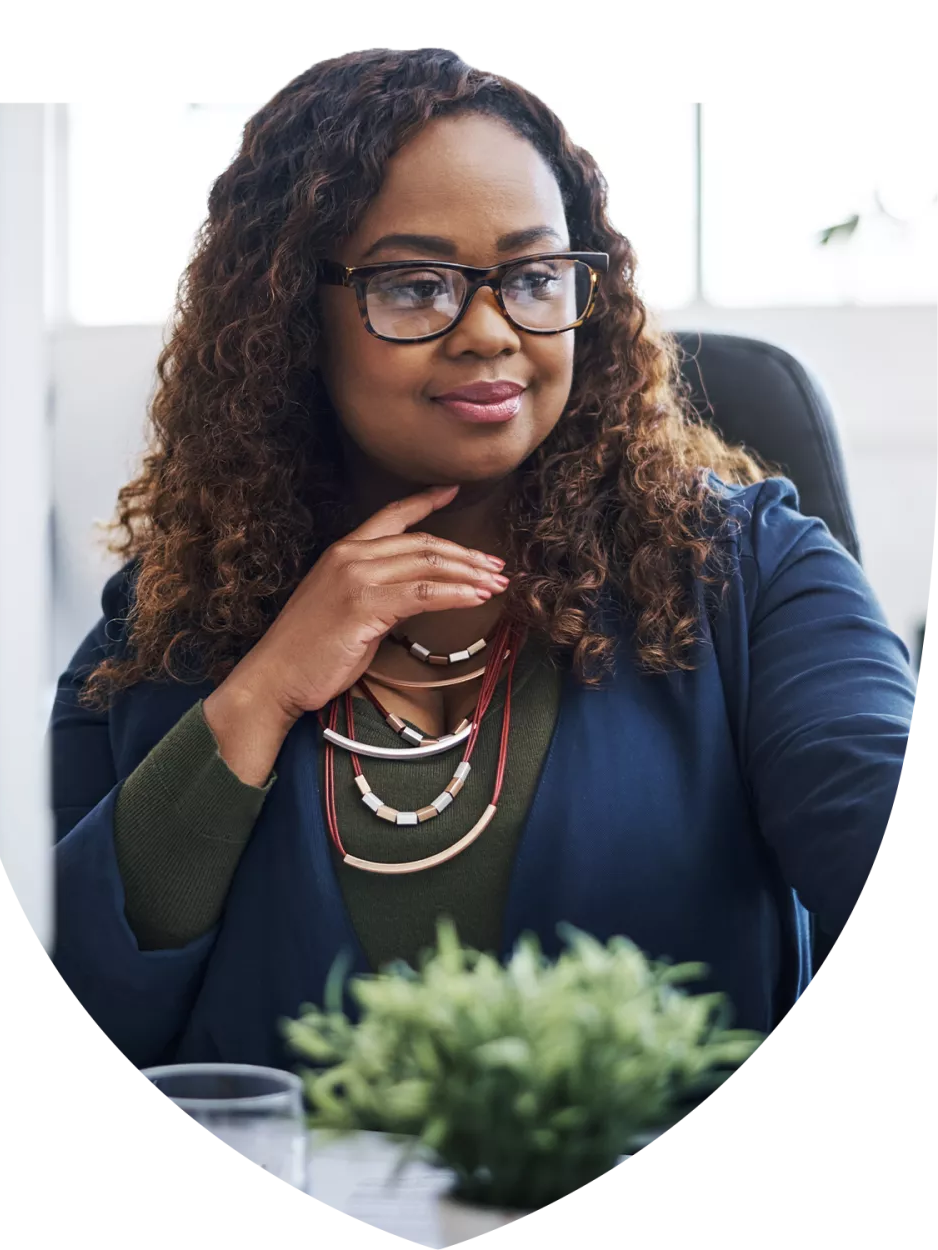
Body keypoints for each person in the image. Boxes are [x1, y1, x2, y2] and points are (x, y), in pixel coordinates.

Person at [49, 50, 918, 1073]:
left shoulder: (752, 573)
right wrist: (264, 691)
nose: (490, 331)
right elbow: (93, 989)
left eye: (536, 276)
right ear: (291, 314)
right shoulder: (165, 625)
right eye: (416, 285)